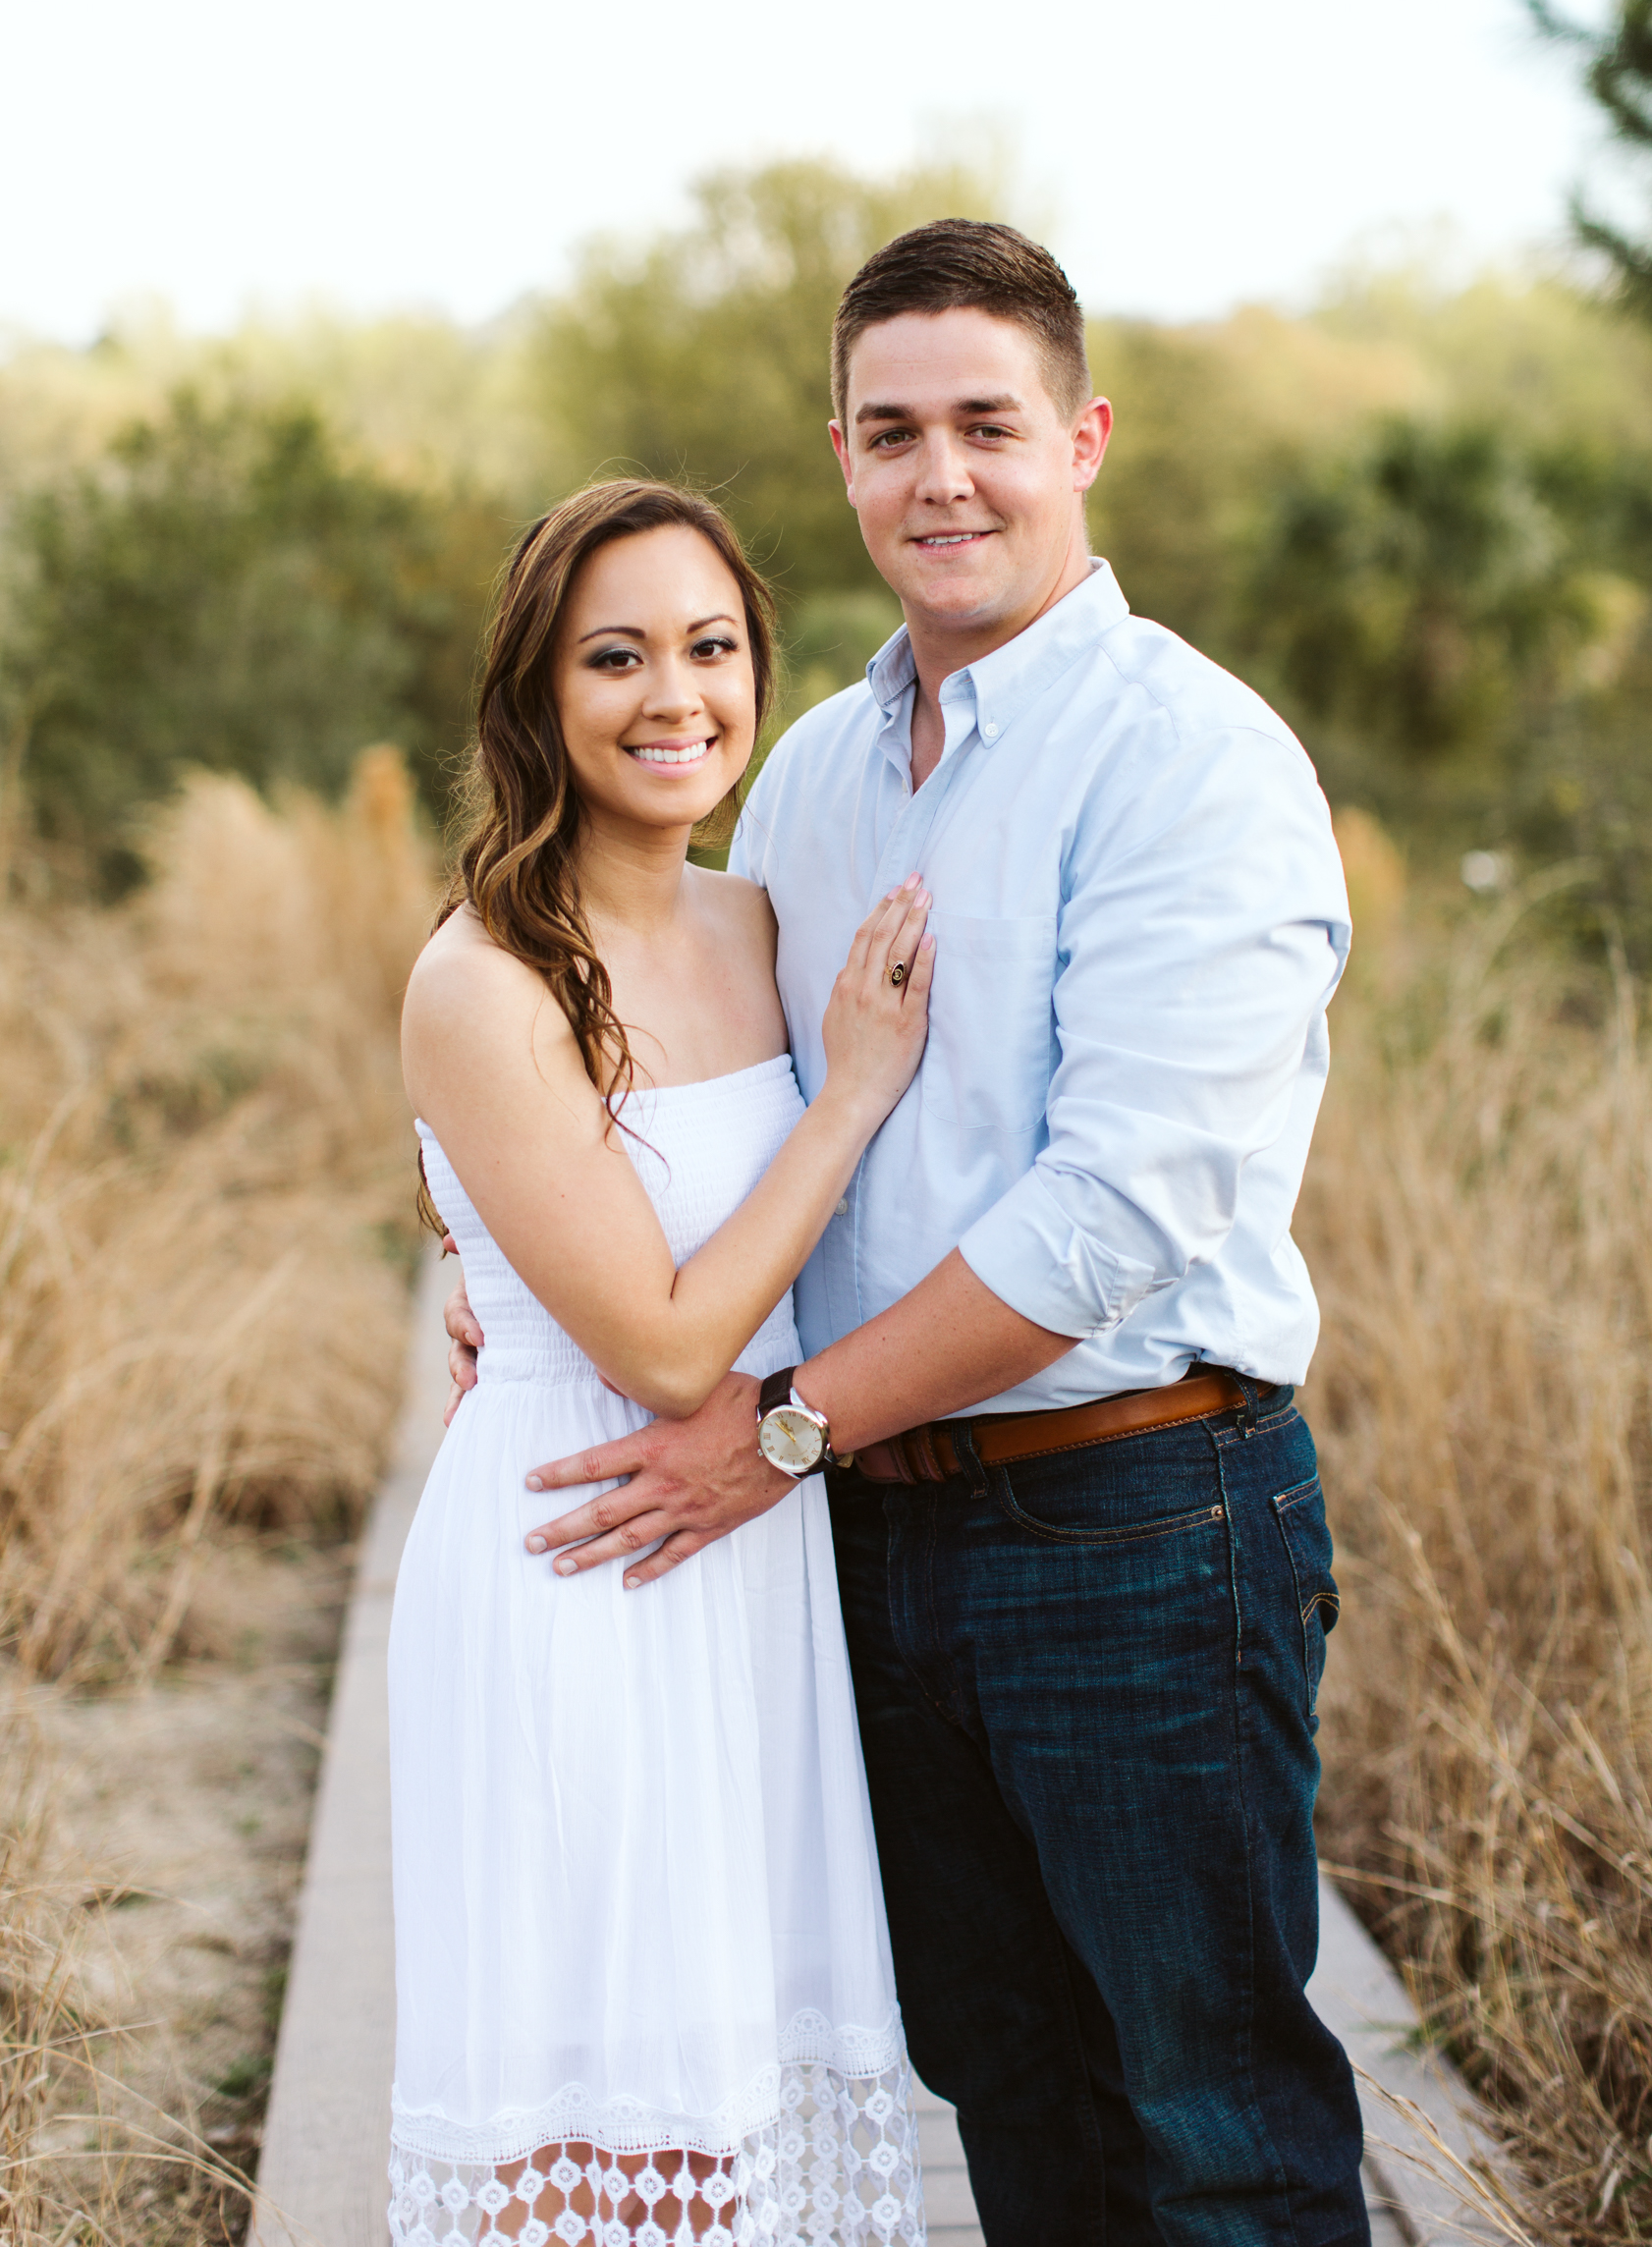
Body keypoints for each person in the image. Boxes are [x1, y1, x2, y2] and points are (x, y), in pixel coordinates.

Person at [454, 222, 1371, 2243]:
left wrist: (779, 1423)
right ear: (845, 459)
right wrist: (492, 1259)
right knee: (1007, 2093)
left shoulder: (1189, 761)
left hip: (1133, 1522)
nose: (939, 474)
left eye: (987, 424)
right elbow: (684, 1097)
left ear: (1084, 437)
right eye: (892, 432)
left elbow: (1112, 1214)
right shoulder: (804, 779)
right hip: (870, 1546)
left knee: (1208, 2110)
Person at [389, 478, 934, 2247]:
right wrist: (850, 1091)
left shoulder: (761, 925)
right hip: (582, 1553)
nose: (672, 696)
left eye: (709, 648)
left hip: (760, 1563)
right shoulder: (489, 978)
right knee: (599, 2124)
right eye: (613, 656)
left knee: (744, 2106)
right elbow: (668, 1337)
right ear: (537, 695)